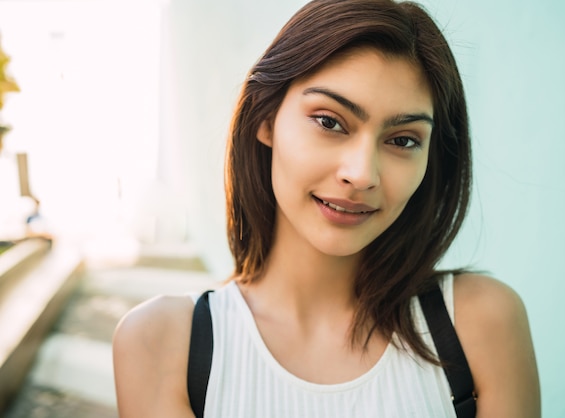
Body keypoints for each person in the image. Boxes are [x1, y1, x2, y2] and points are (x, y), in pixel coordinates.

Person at [113, 0, 541, 416]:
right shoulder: (163, 343)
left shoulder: (482, 323)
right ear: (266, 119)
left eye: (403, 140)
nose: (361, 173)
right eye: (329, 121)